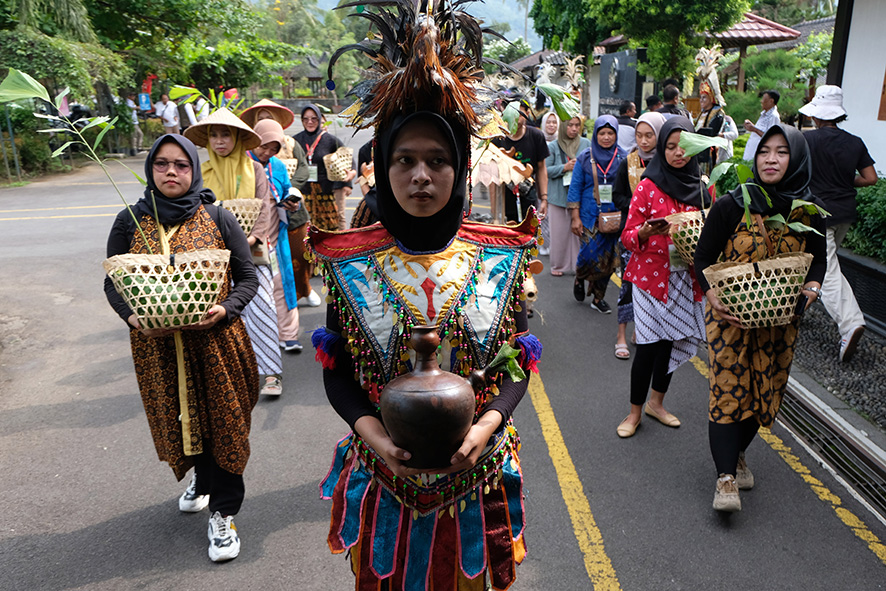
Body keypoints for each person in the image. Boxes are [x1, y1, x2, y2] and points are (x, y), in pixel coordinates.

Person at [315, 3, 541, 587]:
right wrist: (374, 437)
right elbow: (337, 368)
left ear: (460, 169)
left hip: (479, 477)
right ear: (382, 168)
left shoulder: (503, 255)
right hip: (384, 485)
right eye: (405, 160)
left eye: (438, 161)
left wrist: (485, 428)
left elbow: (518, 364)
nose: (421, 176)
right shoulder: (349, 261)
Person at [103, 134, 259, 562]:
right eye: (162, 164)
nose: (171, 172)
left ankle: (224, 512)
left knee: (224, 421)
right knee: (183, 418)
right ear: (151, 170)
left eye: (181, 165)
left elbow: (248, 278)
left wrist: (225, 309)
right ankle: (202, 479)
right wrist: (133, 317)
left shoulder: (217, 217)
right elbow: (112, 281)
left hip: (216, 344)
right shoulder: (131, 221)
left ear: (194, 170)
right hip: (159, 350)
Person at [694, 124, 827, 512]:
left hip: (780, 321)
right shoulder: (735, 203)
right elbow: (703, 258)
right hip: (729, 317)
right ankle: (725, 479)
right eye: (765, 150)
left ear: (797, 158)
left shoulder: (808, 210)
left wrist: (812, 288)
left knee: (763, 394)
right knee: (727, 391)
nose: (770, 159)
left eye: (782, 152)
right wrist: (713, 294)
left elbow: (818, 258)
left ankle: (736, 454)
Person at [615, 117, 708, 438]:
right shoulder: (646, 186)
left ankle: (657, 402)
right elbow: (627, 236)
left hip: (684, 280)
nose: (678, 153)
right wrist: (643, 230)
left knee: (669, 343)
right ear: (662, 148)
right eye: (670, 146)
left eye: (684, 146)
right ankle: (634, 412)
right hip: (649, 281)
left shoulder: (702, 187)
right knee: (649, 346)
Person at [183, 108, 285, 396]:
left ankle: (270, 375)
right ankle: (230, 375)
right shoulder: (200, 172)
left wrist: (249, 240)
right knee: (217, 316)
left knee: (262, 308)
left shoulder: (254, 170)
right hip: (210, 260)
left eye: (225, 134)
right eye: (213, 135)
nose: (219, 141)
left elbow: (263, 207)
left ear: (238, 138)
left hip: (251, 254)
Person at [800, 85, 878, 362]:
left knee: (827, 270)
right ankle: (797, 309)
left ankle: (850, 323)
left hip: (816, 213)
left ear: (817, 115)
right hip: (844, 213)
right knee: (816, 262)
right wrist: (845, 181)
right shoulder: (855, 142)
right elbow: (871, 179)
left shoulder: (806, 140)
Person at [239, 99, 322, 308]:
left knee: (298, 257)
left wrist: (289, 191)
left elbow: (302, 169)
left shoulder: (290, 143)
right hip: (261, 221)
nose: (268, 151)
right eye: (261, 119)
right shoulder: (245, 157)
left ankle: (304, 289)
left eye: (270, 118)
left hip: (290, 211)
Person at [611, 111, 666, 360]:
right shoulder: (628, 161)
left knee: (650, 286)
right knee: (628, 284)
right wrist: (638, 204)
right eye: (639, 135)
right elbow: (617, 195)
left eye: (649, 135)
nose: (644, 141)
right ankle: (622, 334)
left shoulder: (666, 163)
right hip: (632, 233)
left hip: (660, 238)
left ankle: (641, 329)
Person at [249, 119, 305, 353]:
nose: (268, 152)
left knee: (283, 282)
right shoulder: (241, 164)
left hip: (276, 233)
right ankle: (256, 337)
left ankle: (288, 334)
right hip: (251, 236)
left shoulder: (278, 166)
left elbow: (285, 190)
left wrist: (291, 201)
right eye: (264, 146)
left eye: (274, 148)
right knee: (255, 287)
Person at [569, 115, 624, 314]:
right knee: (589, 255)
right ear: (595, 135)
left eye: (611, 133)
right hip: (589, 216)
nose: (606, 137)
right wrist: (575, 217)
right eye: (602, 133)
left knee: (608, 260)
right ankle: (580, 276)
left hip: (614, 216)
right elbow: (575, 187)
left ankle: (598, 298)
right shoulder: (585, 157)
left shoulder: (623, 157)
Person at [293, 104, 356, 232]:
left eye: (313, 119)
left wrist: (350, 175)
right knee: (306, 227)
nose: (309, 122)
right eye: (306, 119)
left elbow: (348, 159)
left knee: (331, 225)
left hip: (326, 191)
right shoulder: (295, 140)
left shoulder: (330, 140)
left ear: (319, 119)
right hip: (304, 191)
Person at [545, 116, 589, 276]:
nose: (574, 129)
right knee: (559, 233)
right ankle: (558, 265)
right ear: (564, 127)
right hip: (558, 196)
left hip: (579, 196)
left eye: (577, 125)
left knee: (579, 234)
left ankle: (579, 265)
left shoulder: (585, 144)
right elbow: (545, 170)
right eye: (570, 125)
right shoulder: (554, 145)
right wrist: (564, 167)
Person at [491, 109, 550, 223]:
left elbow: (542, 168)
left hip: (529, 194)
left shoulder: (536, 136)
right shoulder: (497, 138)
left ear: (527, 114)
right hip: (504, 197)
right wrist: (494, 211)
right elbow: (493, 176)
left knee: (529, 233)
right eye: (512, 113)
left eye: (519, 114)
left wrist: (544, 198)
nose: (515, 118)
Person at [742, 89, 781, 161]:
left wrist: (754, 129)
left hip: (759, 155)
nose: (761, 101)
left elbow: (770, 136)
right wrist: (751, 126)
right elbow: (761, 130)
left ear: (771, 101)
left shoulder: (773, 116)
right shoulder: (764, 114)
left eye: (764, 99)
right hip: (751, 152)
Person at [125, 92, 143, 156]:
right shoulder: (128, 102)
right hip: (132, 121)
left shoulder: (132, 102)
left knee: (140, 134)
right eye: (132, 96)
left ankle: (139, 147)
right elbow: (130, 108)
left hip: (135, 121)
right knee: (134, 135)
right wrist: (137, 107)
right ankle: (134, 148)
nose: (134, 97)